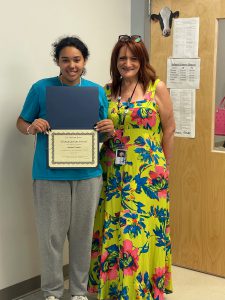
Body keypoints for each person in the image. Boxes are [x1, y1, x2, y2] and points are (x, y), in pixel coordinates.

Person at [16, 36, 114, 300]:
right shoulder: (41, 89)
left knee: (82, 237)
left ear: (84, 62)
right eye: (65, 60)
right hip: (49, 175)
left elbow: (100, 134)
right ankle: (51, 291)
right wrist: (30, 127)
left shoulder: (96, 91)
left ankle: (79, 292)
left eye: (77, 60)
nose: (72, 65)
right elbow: (21, 122)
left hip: (87, 175)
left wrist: (108, 129)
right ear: (57, 62)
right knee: (51, 237)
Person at [88, 35, 175, 300]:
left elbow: (169, 129)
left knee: (142, 230)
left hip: (147, 172)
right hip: (113, 170)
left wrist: (165, 168)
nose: (127, 63)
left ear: (142, 60)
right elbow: (96, 131)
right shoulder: (106, 91)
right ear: (115, 61)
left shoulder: (155, 88)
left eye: (133, 57)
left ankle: (140, 289)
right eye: (122, 58)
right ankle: (115, 288)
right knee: (113, 226)